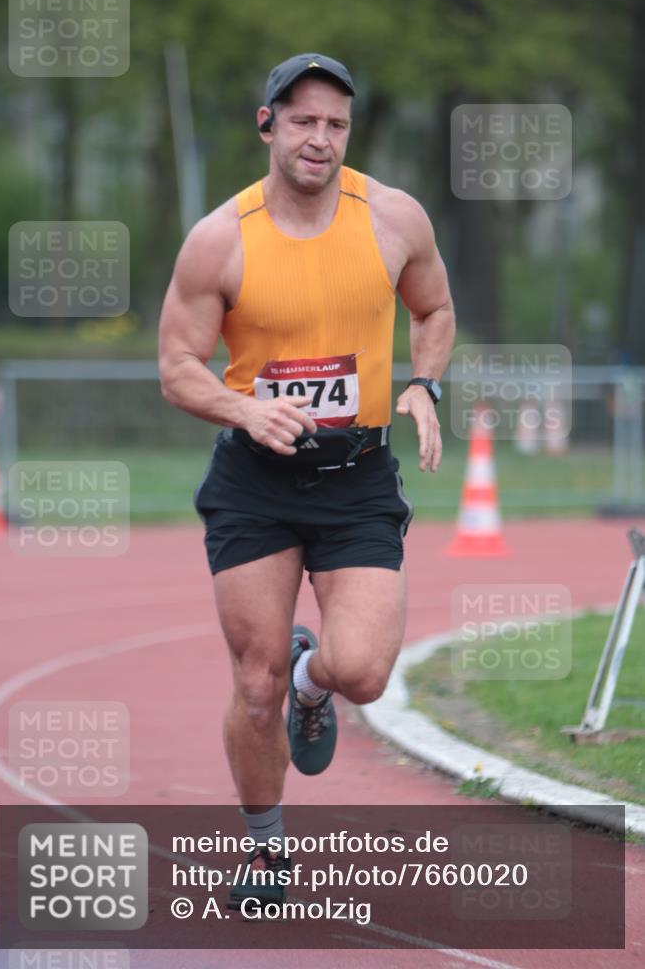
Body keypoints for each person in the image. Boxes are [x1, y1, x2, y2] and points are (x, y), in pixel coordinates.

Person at [158, 53, 455, 908]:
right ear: (267, 126)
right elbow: (178, 368)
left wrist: (422, 385)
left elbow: (432, 309)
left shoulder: (392, 218)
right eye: (301, 121)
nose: (318, 138)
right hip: (256, 479)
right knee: (251, 686)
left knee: (359, 671)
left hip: (358, 475)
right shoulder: (220, 237)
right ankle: (266, 852)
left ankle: (310, 683)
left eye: (334, 124)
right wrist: (244, 410)